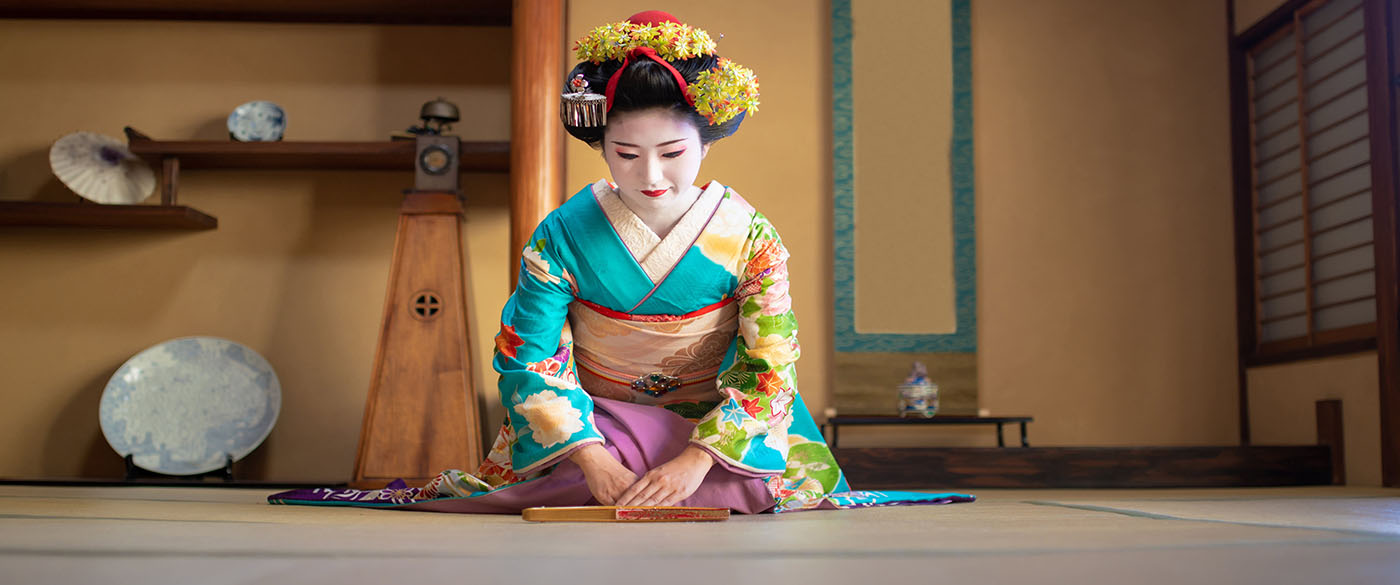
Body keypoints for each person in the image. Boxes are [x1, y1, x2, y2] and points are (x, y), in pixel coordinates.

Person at [270, 11, 972, 514]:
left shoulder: (750, 236)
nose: (651, 175)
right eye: (626, 154)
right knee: (569, 479)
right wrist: (591, 455)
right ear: (602, 145)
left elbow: (770, 365)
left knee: (751, 482)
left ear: (705, 143)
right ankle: (598, 469)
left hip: (711, 421)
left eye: (673, 153)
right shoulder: (561, 234)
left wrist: (696, 457)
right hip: (597, 417)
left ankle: (690, 470)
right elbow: (529, 356)